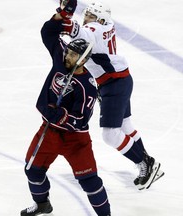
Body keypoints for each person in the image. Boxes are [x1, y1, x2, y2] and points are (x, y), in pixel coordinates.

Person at [20, 1, 112, 216]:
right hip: (49, 131)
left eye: (72, 55)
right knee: (32, 170)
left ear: (83, 60)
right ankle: (43, 204)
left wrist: (59, 115)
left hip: (75, 140)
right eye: (68, 52)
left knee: (89, 181)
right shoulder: (61, 59)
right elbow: (48, 32)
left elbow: (80, 120)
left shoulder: (88, 86)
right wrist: (63, 14)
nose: (67, 56)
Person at [61, 0, 164, 190]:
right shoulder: (106, 25)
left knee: (110, 134)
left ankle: (144, 163)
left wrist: (64, 17)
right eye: (86, 15)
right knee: (125, 125)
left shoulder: (95, 29)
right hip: (119, 80)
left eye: (91, 17)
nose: (86, 19)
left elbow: (82, 32)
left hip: (114, 83)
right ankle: (147, 163)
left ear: (99, 19)